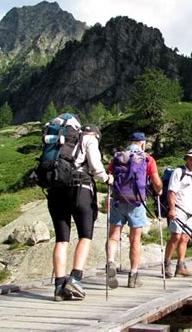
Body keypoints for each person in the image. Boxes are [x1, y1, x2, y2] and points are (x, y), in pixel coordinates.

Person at [48, 122, 114, 301]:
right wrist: (107, 178)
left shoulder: (60, 143)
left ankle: (59, 286)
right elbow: (96, 167)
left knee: (62, 239)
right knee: (85, 235)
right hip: (80, 189)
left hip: (55, 190)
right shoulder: (89, 140)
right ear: (96, 134)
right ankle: (75, 279)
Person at [106, 132, 162, 288]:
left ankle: (110, 261)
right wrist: (159, 190)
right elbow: (156, 182)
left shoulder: (117, 157)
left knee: (113, 236)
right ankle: (133, 276)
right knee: (135, 239)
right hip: (137, 203)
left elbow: (108, 175)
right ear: (142, 143)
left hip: (118, 200)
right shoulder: (147, 159)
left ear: (130, 142)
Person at [164, 148, 192, 278]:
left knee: (185, 238)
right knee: (176, 236)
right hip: (178, 209)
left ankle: (180, 266)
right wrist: (172, 209)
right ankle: (167, 264)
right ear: (187, 158)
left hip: (189, 211)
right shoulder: (178, 172)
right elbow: (171, 191)